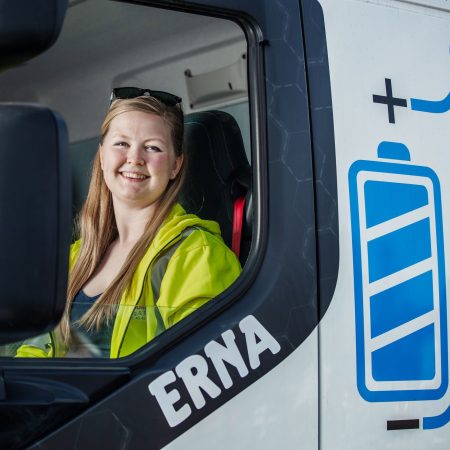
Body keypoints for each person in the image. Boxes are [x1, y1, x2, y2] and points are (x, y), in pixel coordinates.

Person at [16, 88, 241, 358]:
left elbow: (203, 370)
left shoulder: (197, 255)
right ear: (102, 155)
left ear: (175, 166)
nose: (135, 158)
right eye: (122, 143)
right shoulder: (72, 259)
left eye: (153, 147)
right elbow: (34, 355)